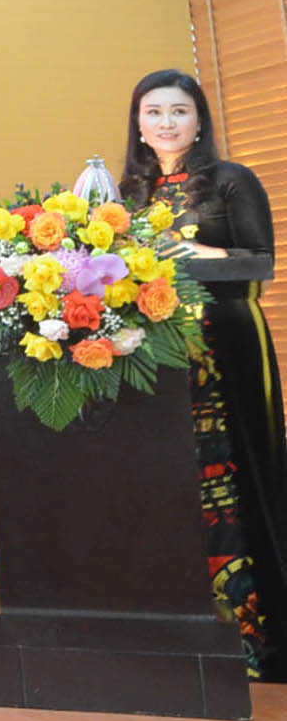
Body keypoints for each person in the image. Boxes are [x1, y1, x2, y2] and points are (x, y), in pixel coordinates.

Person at [119, 68, 285, 681]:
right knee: (171, 481)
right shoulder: (126, 195)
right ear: (138, 124)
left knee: (237, 473)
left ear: (199, 120)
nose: (166, 123)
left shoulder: (231, 180)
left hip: (226, 344)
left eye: (179, 111)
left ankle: (257, 637)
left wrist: (193, 253)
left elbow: (260, 262)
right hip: (156, 355)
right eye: (154, 112)